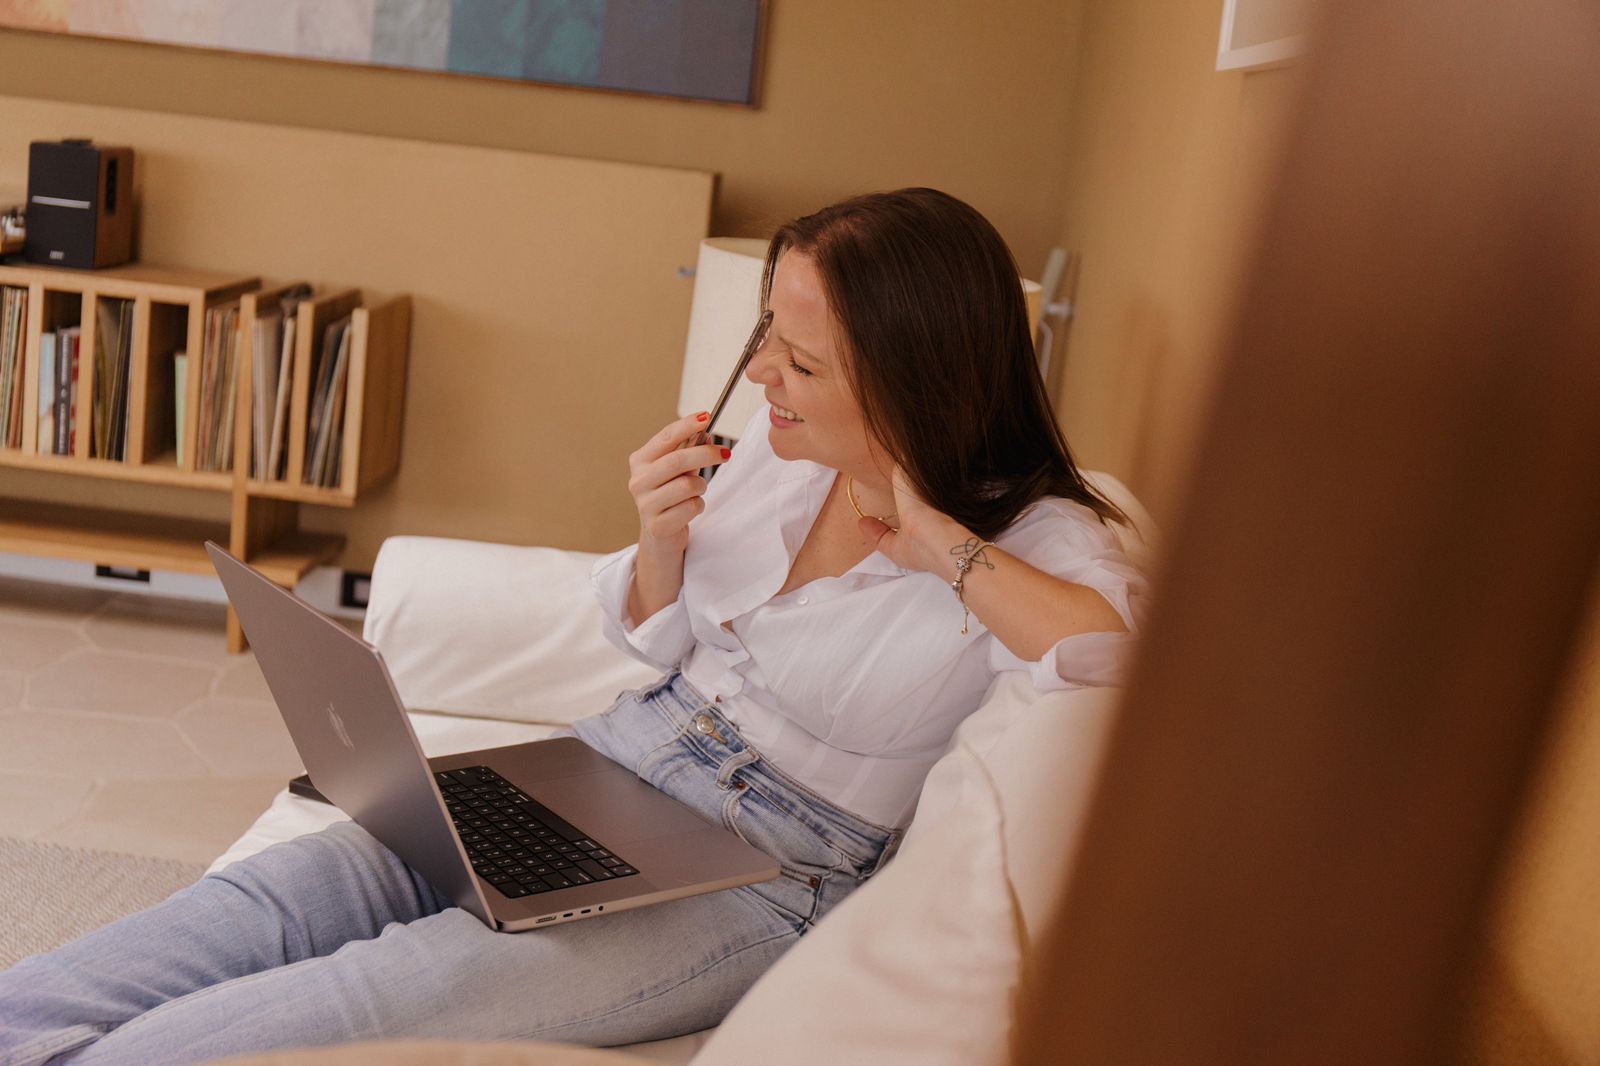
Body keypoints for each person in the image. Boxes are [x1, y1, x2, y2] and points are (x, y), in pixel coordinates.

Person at [0, 188, 1148, 1065]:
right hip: (611, 760)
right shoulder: (778, 457)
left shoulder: (1039, 537)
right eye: (766, 339)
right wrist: (658, 543)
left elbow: (1115, 660)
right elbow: (653, 641)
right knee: (273, 900)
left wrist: (939, 541)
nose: (761, 376)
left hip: (766, 871)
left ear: (914, 378)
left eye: (800, 362)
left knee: (376, 992)